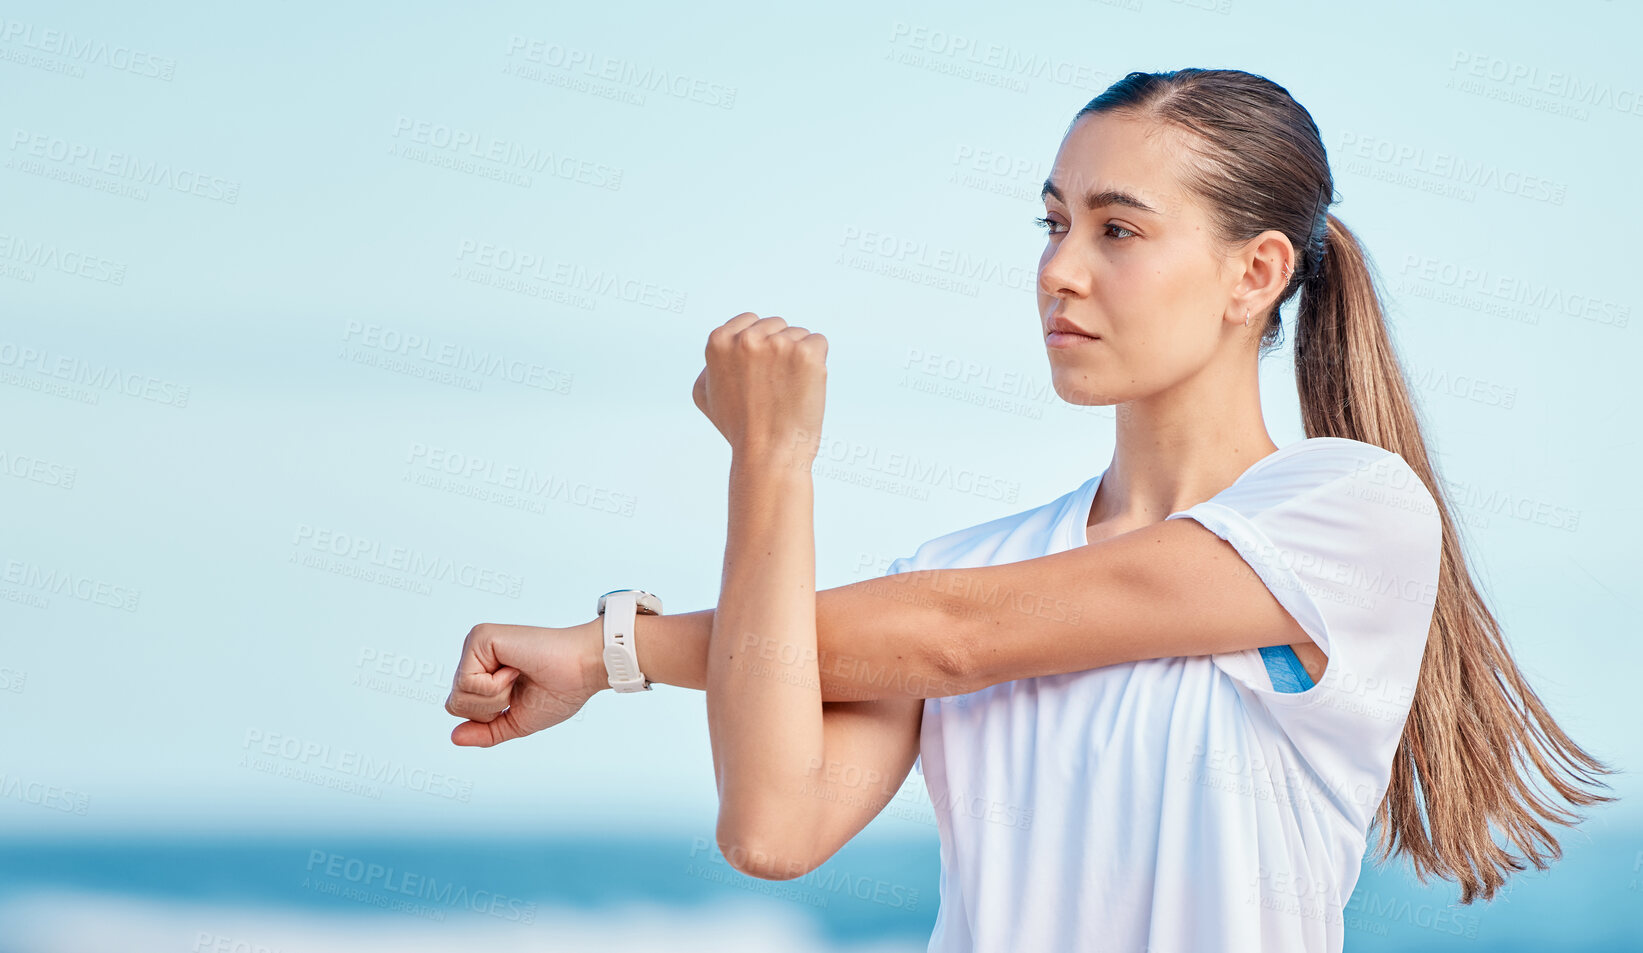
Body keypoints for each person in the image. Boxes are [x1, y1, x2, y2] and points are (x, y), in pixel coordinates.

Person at [442, 68, 1616, 953]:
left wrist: (613, 652)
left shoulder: (1347, 513)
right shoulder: (955, 568)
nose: (1058, 269)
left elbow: (962, 635)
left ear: (1253, 273)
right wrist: (769, 460)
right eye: (1053, 223)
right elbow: (772, 826)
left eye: (1117, 230)